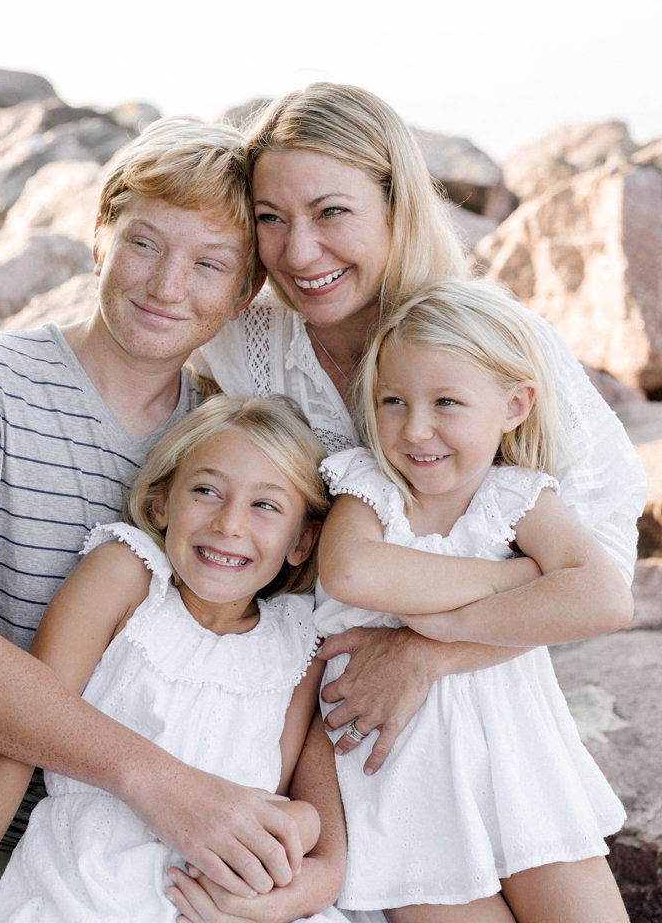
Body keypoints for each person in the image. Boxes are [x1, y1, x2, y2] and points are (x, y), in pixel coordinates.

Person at [0, 117, 334, 923]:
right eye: (145, 244)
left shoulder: (228, 447)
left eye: (209, 265)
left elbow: (285, 657)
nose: (166, 286)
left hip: (187, 848)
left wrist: (302, 865)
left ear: (244, 294)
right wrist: (165, 787)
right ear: (98, 237)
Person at [195, 81, 646, 771]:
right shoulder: (242, 345)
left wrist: (425, 653)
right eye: (271, 218)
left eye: (331, 212)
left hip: (481, 695)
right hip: (306, 713)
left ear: (395, 204)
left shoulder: (494, 340)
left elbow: (604, 557)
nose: (300, 252)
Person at [0, 395, 348, 923]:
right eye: (207, 491)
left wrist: (298, 827)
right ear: (163, 503)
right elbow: (15, 739)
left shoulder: (299, 641)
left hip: (209, 905)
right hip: (84, 894)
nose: (230, 524)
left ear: (302, 540)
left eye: (266, 505)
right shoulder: (128, 576)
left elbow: (271, 800)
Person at [315, 278, 631, 921]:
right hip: (408, 790)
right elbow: (351, 570)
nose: (416, 428)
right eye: (393, 401)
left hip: (524, 770)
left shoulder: (516, 496)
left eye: (447, 402)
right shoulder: (368, 486)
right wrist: (514, 581)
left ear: (514, 406)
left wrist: (444, 621)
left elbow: (605, 598)